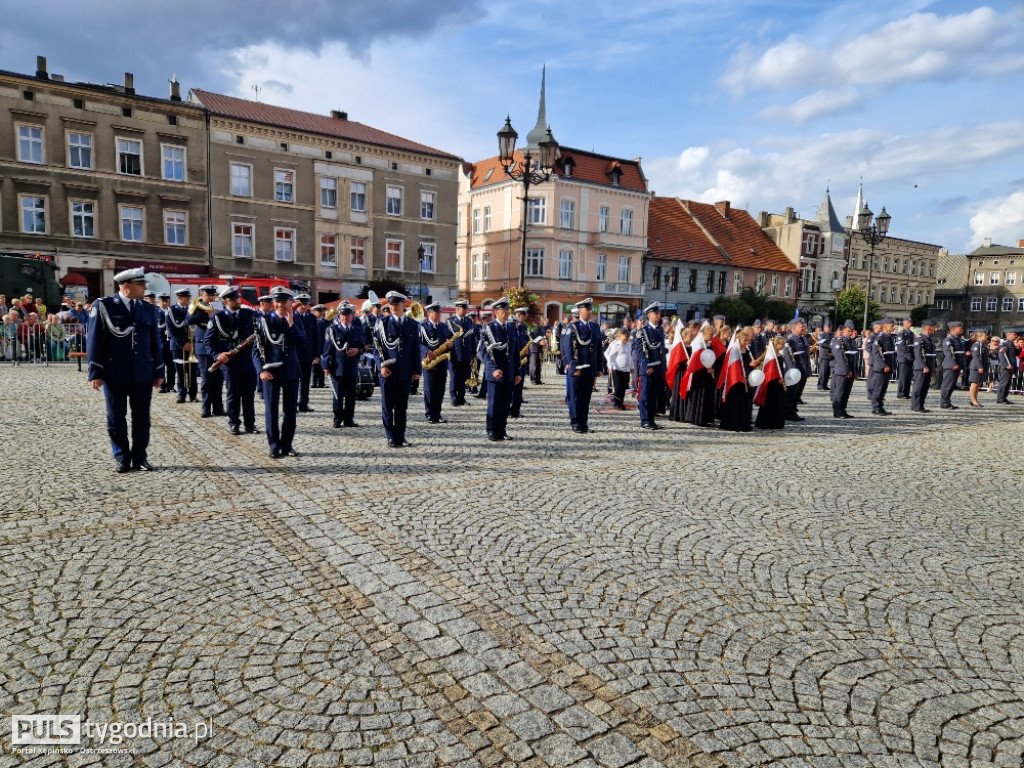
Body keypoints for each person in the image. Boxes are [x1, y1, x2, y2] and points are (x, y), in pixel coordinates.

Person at [86, 268, 165, 473]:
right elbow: (94, 340)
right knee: (116, 417)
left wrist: (158, 371)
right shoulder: (104, 306)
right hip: (115, 373)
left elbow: (155, 342)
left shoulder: (148, 309)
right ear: (127, 286)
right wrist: (96, 372)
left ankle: (140, 457)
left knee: (142, 418)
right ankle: (122, 457)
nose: (145, 288)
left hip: (142, 373)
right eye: (141, 284)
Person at [253, 287, 305, 458]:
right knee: (271, 410)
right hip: (271, 372)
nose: (282, 305)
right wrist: (261, 371)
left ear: (291, 303)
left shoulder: (296, 321)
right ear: (274, 303)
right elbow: (256, 350)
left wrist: (291, 324)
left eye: (285, 302)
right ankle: (274, 446)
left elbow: (302, 343)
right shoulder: (264, 321)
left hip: (291, 371)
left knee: (290, 412)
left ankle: (287, 444)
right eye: (279, 302)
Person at [207, 285, 260, 435]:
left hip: (248, 360)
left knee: (249, 394)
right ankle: (234, 423)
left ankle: (250, 424)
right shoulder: (218, 318)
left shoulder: (249, 314)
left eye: (237, 298)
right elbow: (208, 341)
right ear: (225, 301)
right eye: (233, 299)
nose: (237, 300)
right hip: (230, 363)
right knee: (233, 394)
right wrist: (217, 355)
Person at [372, 291, 422, 447]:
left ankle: (400, 436)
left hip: (405, 371)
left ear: (403, 305)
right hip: (388, 370)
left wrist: (416, 370)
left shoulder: (412, 324)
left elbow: (415, 349)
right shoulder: (382, 323)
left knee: (401, 406)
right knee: (387, 405)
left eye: (396, 304)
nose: (393, 307)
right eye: (391, 304)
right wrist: (381, 365)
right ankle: (390, 436)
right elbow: (376, 348)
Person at [560, 298, 605, 434]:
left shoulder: (594, 327)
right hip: (578, 369)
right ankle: (576, 423)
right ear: (580, 311)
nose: (590, 312)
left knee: (586, 398)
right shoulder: (572, 327)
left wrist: (598, 367)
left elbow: (598, 349)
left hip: (589, 368)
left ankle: (583, 423)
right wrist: (573, 367)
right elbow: (567, 349)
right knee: (575, 397)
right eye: (587, 309)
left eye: (591, 309)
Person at [480, 297, 521, 441]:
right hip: (495, 373)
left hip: (509, 373)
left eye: (507, 309)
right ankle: (492, 430)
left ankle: (502, 429)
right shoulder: (489, 328)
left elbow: (515, 352)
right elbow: (482, 351)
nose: (506, 312)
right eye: (503, 309)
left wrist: (517, 372)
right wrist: (492, 369)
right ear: (496, 312)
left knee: (505, 404)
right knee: (494, 404)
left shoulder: (511, 328)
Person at [321, 301, 364, 428]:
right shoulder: (332, 330)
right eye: (343, 315)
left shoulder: (357, 330)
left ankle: (349, 419)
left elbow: (363, 346)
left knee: (351, 396)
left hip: (352, 367)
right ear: (339, 316)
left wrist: (358, 350)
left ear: (352, 316)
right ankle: (338, 418)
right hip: (337, 368)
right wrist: (326, 366)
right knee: (338, 395)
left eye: (348, 314)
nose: (346, 317)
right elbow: (326, 350)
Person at [188, 285, 224, 417]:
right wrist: (207, 315)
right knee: (207, 379)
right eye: (209, 295)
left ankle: (218, 408)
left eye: (213, 295)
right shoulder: (197, 306)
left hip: (217, 346)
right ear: (202, 294)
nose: (211, 297)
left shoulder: (218, 304)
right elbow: (189, 320)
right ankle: (206, 408)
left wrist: (217, 313)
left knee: (218, 380)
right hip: (203, 347)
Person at [633, 302, 666, 430]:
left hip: (658, 369)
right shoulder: (642, 332)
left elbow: (661, 351)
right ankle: (645, 420)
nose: (658, 315)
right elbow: (640, 351)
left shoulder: (659, 330)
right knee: (645, 396)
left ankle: (651, 420)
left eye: (659, 313)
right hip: (648, 369)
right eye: (655, 313)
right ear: (649, 315)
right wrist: (646, 366)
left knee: (653, 396)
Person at [419, 302, 450, 423]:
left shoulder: (443, 326)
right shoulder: (422, 326)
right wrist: (426, 351)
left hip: (442, 362)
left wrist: (450, 345)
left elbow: (447, 340)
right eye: (436, 312)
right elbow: (418, 342)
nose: (439, 315)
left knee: (440, 390)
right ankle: (429, 414)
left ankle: (437, 413)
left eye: (439, 312)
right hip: (429, 362)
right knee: (430, 389)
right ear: (430, 313)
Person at [165, 288, 197, 403]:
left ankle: (193, 395)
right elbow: (171, 329)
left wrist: (191, 343)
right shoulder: (171, 310)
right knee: (180, 371)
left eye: (189, 297)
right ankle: (181, 394)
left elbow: (195, 327)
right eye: (186, 297)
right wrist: (182, 344)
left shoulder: (192, 309)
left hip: (192, 345)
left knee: (192, 371)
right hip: (178, 346)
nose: (189, 299)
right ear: (179, 297)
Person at [719, 327, 753, 432]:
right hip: (736, 381)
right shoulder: (735, 349)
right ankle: (733, 423)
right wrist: (740, 378)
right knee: (735, 402)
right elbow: (733, 367)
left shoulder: (746, 349)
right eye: (744, 340)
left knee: (743, 402)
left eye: (748, 341)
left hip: (745, 377)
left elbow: (746, 364)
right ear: (738, 339)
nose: (746, 343)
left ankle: (743, 422)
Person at [293, 294, 319, 412]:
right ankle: (292, 404)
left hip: (307, 354)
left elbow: (316, 336)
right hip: (294, 354)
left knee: (305, 381)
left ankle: (303, 403)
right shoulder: (291, 317)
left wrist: (317, 354)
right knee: (293, 380)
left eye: (305, 304)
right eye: (301, 304)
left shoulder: (312, 318)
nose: (303, 307)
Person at [447, 299, 476, 405]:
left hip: (466, 354)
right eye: (463, 309)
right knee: (454, 377)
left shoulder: (468, 321)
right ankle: (453, 397)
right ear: (457, 309)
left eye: (466, 309)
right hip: (454, 354)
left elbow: (472, 337)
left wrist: (473, 352)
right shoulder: (450, 321)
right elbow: (447, 338)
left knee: (464, 377)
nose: (465, 311)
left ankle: (461, 397)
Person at [754, 336, 787, 429]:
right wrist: (777, 380)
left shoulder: (779, 355)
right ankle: (767, 422)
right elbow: (770, 372)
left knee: (779, 403)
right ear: (776, 345)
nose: (783, 345)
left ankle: (777, 422)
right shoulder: (771, 356)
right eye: (782, 344)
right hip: (772, 384)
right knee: (770, 404)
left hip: (779, 383)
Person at [783, 317, 810, 421]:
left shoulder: (803, 338)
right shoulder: (790, 339)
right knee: (791, 394)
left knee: (797, 394)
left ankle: (793, 411)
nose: (804, 328)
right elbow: (787, 355)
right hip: (794, 372)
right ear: (794, 328)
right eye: (801, 326)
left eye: (804, 326)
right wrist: (792, 370)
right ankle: (788, 413)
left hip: (803, 371)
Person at [868, 318, 896, 415]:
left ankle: (880, 407)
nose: (894, 327)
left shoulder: (889, 338)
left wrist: (893, 366)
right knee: (878, 388)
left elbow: (891, 354)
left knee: (883, 389)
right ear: (885, 326)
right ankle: (876, 407)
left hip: (888, 367)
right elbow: (876, 354)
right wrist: (883, 365)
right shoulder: (879, 338)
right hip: (881, 368)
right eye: (892, 325)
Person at [830, 320, 857, 418]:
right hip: (842, 371)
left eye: (852, 331)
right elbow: (840, 358)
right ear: (844, 330)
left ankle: (843, 409)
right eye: (849, 331)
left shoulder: (852, 341)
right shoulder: (839, 341)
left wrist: (855, 370)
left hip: (850, 371)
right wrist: (847, 371)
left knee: (846, 393)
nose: (851, 333)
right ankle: (837, 411)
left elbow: (854, 357)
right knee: (839, 393)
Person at [911, 318, 939, 412]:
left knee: (925, 387)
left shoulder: (929, 339)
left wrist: (934, 366)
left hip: (929, 366)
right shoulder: (920, 339)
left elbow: (932, 355)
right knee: (918, 387)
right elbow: (918, 354)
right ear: (928, 328)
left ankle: (921, 405)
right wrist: (923, 366)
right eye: (934, 327)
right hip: (921, 367)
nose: (935, 329)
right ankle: (915, 405)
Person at [604, 328, 634, 410]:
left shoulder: (628, 345)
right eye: (624, 339)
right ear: (619, 337)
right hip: (617, 369)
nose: (625, 341)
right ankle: (616, 403)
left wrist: (631, 367)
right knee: (618, 387)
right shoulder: (616, 345)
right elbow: (610, 356)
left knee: (624, 387)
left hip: (626, 369)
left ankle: (621, 403)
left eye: (627, 339)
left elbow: (629, 357)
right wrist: (610, 366)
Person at [939, 320, 966, 409]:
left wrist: (963, 365)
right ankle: (944, 402)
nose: (962, 329)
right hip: (950, 366)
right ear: (954, 329)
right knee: (947, 384)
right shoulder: (948, 340)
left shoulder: (957, 339)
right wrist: (953, 364)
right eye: (960, 327)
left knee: (952, 385)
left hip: (957, 365)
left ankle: (947, 401)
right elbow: (949, 353)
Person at [510, 306, 531, 419]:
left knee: (519, 388)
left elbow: (525, 341)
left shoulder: (523, 327)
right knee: (510, 388)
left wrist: (526, 349)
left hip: (521, 361)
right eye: (523, 315)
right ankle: (508, 409)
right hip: (512, 361)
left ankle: (515, 411)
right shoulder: (511, 326)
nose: (525, 317)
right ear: (518, 315)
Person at [996, 327, 1019, 404]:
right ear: (1008, 335)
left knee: (1008, 383)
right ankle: (1000, 398)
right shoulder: (1005, 344)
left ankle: (1004, 397)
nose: (1016, 336)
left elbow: (1017, 354)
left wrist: (1018, 348)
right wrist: (1006, 365)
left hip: (1011, 367)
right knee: (1004, 382)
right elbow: (1002, 355)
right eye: (1014, 334)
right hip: (1006, 367)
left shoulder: (1011, 344)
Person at [967, 329, 989, 407]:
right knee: (975, 384)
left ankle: (975, 400)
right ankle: (973, 401)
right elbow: (976, 357)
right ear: (980, 335)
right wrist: (979, 366)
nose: (987, 336)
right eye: (985, 335)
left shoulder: (983, 345)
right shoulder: (977, 345)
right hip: (976, 367)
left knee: (978, 384)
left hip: (983, 366)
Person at [895, 317, 915, 398]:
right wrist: (908, 356)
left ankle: (906, 392)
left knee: (909, 376)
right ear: (904, 323)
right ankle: (901, 392)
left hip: (910, 357)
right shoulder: (901, 333)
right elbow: (901, 346)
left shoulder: (911, 333)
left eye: (910, 322)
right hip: (904, 358)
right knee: (903, 376)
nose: (910, 324)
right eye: (908, 322)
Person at [310, 304, 329, 389]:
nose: (321, 313)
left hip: (323, 347)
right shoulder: (312, 322)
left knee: (322, 365)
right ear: (314, 312)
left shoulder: (326, 322)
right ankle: (314, 382)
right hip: (314, 346)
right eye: (319, 311)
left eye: (322, 311)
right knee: (314, 366)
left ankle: (321, 382)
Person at [816, 319, 833, 390]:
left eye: (830, 327)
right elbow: (821, 343)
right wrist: (831, 345)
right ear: (824, 327)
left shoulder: (832, 334)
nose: (829, 329)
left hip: (831, 355)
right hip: (824, 355)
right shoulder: (822, 334)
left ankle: (825, 384)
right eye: (827, 327)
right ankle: (820, 385)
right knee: (822, 371)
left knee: (827, 372)